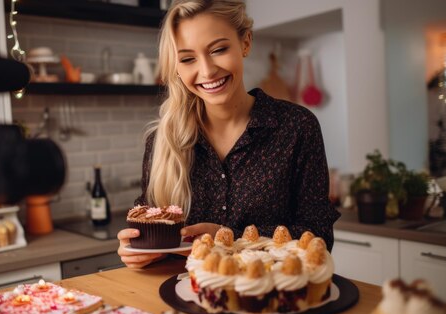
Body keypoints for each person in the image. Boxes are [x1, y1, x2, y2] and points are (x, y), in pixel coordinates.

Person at [117, 0, 340, 269]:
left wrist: (230, 238)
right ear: (176, 67)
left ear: (245, 43)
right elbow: (151, 230)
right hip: (183, 298)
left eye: (219, 49)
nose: (207, 70)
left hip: (269, 299)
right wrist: (136, 248)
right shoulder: (162, 142)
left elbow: (319, 235)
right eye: (188, 59)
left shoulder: (297, 127)